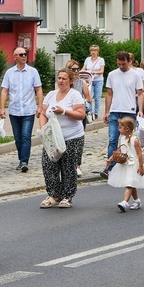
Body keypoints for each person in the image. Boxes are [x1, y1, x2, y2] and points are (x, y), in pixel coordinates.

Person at [37, 68, 86, 209]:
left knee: (68, 167)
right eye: (59, 78)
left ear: (71, 81)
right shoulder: (51, 95)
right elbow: (43, 113)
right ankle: (54, 195)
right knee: (48, 165)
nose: (61, 81)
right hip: (53, 139)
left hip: (72, 136)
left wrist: (63, 111)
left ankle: (67, 196)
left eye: (64, 78)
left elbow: (81, 115)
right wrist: (44, 130)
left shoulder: (74, 95)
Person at [0, 48, 43, 172]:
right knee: (18, 138)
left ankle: (24, 161)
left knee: (25, 136)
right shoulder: (9, 73)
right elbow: (4, 91)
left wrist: (40, 106)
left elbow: (38, 89)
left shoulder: (33, 72)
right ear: (14, 57)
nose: (24, 56)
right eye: (21, 54)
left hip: (29, 110)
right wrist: (2, 108)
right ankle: (21, 159)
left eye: (25, 54)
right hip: (14, 110)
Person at [102, 51, 144, 179]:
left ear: (129, 61)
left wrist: (140, 110)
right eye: (119, 64)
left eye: (123, 64)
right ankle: (109, 168)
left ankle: (128, 165)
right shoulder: (112, 75)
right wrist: (106, 111)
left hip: (129, 110)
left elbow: (140, 93)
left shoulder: (135, 75)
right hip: (115, 111)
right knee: (112, 140)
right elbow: (109, 94)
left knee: (128, 141)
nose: (121, 66)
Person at [106, 117, 144, 212]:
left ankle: (125, 202)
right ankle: (137, 200)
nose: (118, 129)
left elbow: (139, 154)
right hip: (125, 164)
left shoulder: (135, 140)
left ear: (127, 129)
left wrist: (141, 166)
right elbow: (120, 149)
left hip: (133, 165)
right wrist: (111, 158)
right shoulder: (123, 138)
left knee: (129, 184)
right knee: (131, 183)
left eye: (120, 127)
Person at [64, 60, 91, 176]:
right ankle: (67, 165)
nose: (76, 71)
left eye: (77, 69)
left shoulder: (82, 83)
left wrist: (81, 102)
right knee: (67, 142)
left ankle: (77, 165)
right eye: (73, 69)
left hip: (79, 114)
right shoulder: (64, 83)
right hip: (66, 115)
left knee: (78, 141)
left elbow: (88, 98)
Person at [80, 45, 105, 121]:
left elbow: (101, 71)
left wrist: (94, 72)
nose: (93, 52)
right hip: (89, 80)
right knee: (89, 96)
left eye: (95, 50)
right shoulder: (87, 59)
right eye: (92, 50)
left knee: (97, 97)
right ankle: (90, 111)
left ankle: (96, 113)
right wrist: (79, 72)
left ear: (97, 51)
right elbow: (84, 68)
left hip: (98, 80)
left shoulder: (101, 60)